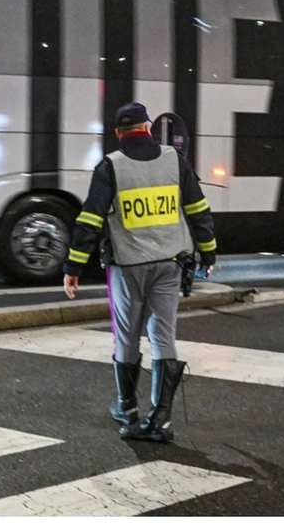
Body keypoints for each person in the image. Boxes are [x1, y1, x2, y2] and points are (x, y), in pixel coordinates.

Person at [64, 102, 218, 442]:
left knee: (127, 337)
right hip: (170, 263)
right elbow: (198, 209)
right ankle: (161, 419)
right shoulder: (174, 160)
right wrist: (207, 252)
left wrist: (73, 266)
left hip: (127, 267)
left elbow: (90, 220)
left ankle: (128, 411)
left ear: (119, 134)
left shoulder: (110, 167)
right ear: (148, 128)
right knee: (164, 336)